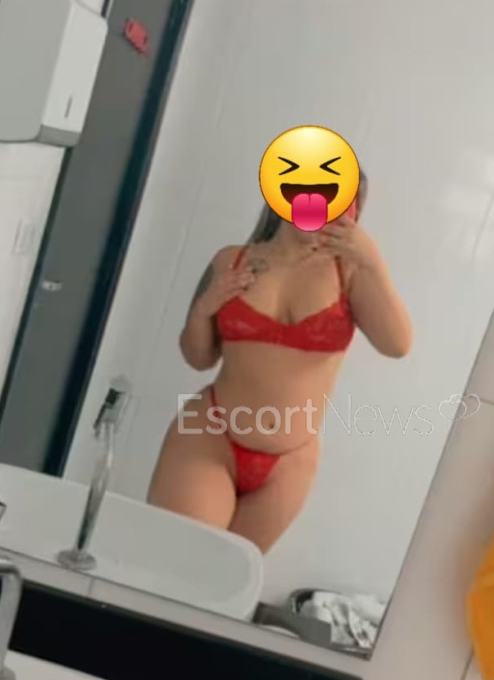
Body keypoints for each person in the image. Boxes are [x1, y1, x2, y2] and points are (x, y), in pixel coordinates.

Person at [147, 173, 413, 552]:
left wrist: (373, 261)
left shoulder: (351, 273)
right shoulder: (231, 261)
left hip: (289, 464)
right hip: (209, 438)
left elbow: (397, 345)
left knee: (225, 578)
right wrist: (203, 311)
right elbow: (198, 358)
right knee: (173, 562)